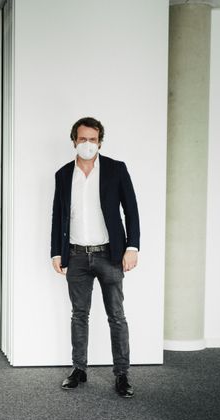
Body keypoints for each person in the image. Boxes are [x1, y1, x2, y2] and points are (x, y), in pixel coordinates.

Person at [51, 117, 140, 398]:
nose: (87, 144)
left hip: (110, 255)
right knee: (79, 315)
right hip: (76, 256)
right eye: (82, 138)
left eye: (92, 139)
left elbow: (132, 210)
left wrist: (132, 247)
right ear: (74, 141)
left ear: (100, 141)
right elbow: (58, 216)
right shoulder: (64, 174)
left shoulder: (116, 169)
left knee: (116, 315)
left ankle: (122, 374)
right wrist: (56, 251)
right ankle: (79, 369)